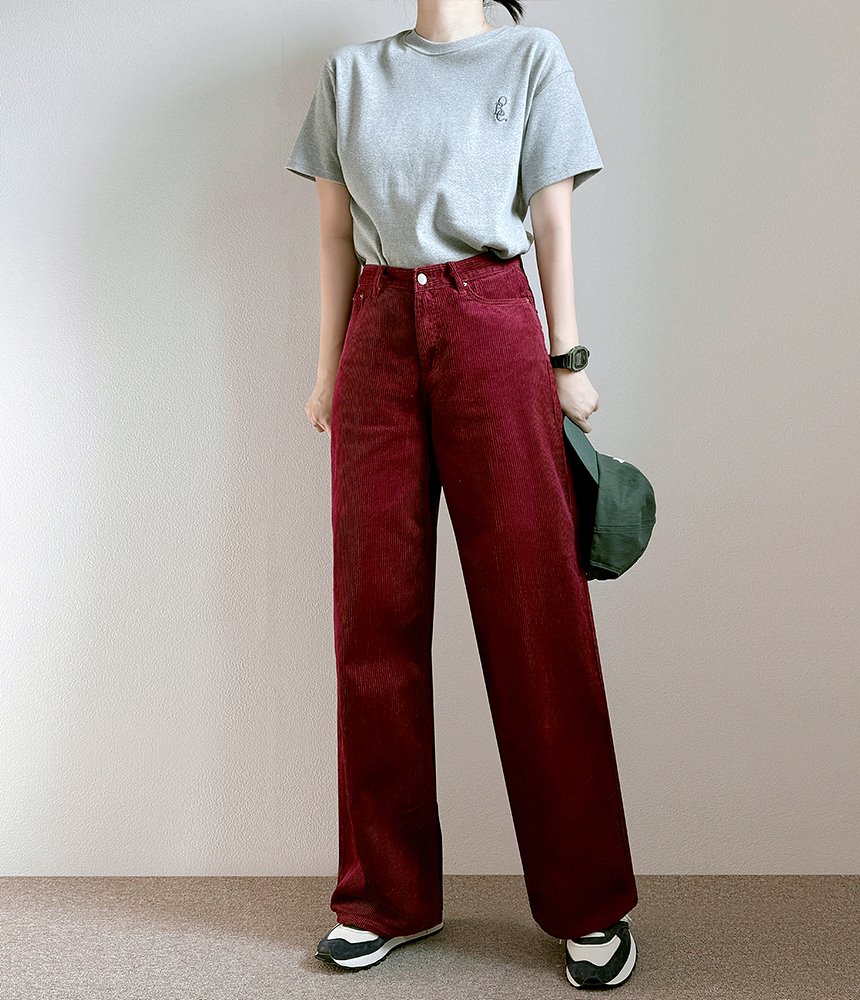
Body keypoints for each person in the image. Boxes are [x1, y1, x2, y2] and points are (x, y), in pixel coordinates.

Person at [285, 0, 639, 989]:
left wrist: (566, 357)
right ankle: (384, 898)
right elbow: (333, 237)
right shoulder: (350, 73)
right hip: (377, 333)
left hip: (492, 323)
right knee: (373, 621)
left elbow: (552, 217)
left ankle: (588, 902)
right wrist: (329, 369)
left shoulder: (530, 57)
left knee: (535, 615)